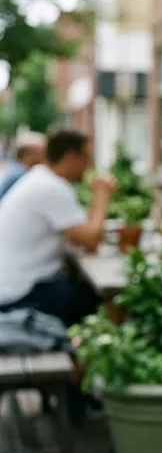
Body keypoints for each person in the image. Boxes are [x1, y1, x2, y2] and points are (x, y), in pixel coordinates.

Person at [0, 127, 116, 327]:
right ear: (71, 157)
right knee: (104, 302)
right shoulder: (51, 187)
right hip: (19, 296)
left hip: (16, 288)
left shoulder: (41, 179)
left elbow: (81, 232)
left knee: (82, 291)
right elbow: (91, 240)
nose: (89, 165)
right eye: (86, 157)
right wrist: (102, 195)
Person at [0, 131, 46, 200]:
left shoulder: (14, 168)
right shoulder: (20, 175)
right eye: (39, 153)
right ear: (27, 155)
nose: (43, 157)